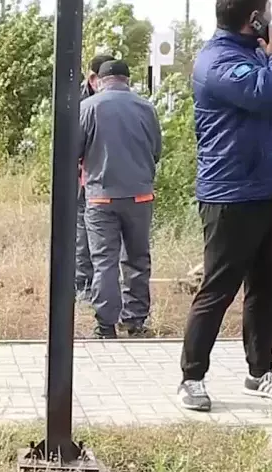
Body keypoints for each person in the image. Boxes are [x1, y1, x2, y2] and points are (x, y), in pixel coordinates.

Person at [179, 0, 272, 412]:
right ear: (253, 19)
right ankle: (192, 378)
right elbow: (264, 92)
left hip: (269, 190)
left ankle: (260, 371)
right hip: (230, 194)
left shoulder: (251, 54)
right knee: (218, 288)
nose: (270, 16)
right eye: (265, 10)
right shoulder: (217, 61)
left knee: (267, 286)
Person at [79, 59, 163, 339]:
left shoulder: (88, 108)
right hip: (140, 195)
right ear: (127, 79)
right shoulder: (146, 108)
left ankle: (105, 325)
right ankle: (135, 321)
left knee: (104, 261)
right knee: (137, 259)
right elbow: (156, 151)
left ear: (100, 81)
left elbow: (74, 151)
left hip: (101, 197)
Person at [76, 53, 117, 301]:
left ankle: (99, 287)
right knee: (82, 233)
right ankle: (83, 286)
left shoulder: (108, 100)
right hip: (85, 179)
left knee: (105, 243)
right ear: (93, 78)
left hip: (106, 179)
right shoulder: (80, 103)